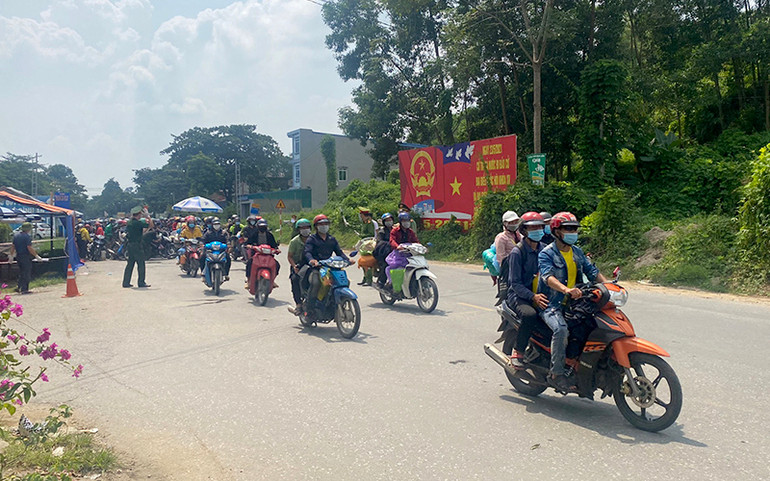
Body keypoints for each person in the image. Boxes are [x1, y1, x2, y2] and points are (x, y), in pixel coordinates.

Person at [537, 211, 607, 391]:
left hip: (576, 303)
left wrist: (609, 286)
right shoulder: (547, 253)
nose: (572, 232)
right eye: (568, 229)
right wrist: (566, 289)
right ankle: (556, 373)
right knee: (561, 329)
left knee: (595, 324)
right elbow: (548, 277)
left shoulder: (577, 252)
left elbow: (592, 271)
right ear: (556, 231)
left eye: (574, 229)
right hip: (552, 304)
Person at [506, 212, 549, 369]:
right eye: (533, 227)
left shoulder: (545, 250)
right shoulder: (517, 252)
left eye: (539, 227)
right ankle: (519, 351)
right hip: (520, 295)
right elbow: (515, 283)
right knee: (530, 315)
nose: (538, 230)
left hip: (541, 293)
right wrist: (533, 297)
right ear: (524, 231)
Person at [303, 215, 349, 310]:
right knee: (316, 283)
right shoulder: (312, 239)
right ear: (316, 226)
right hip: (316, 268)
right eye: (321, 224)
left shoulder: (332, 239)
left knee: (345, 281)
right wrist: (312, 260)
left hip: (330, 267)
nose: (324, 226)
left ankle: (336, 303)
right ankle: (309, 309)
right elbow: (307, 252)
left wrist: (347, 260)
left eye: (326, 224)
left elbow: (339, 252)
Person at [122, 206, 154, 288]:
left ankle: (126, 282)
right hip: (137, 245)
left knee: (130, 264)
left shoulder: (129, 222)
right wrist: (148, 216)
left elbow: (142, 231)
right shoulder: (138, 223)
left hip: (130, 245)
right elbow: (151, 225)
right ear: (139, 215)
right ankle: (141, 282)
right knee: (141, 264)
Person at [9, 223, 45, 294]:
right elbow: (29, 247)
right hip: (25, 256)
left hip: (18, 256)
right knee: (26, 272)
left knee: (22, 272)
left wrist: (11, 256)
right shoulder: (27, 237)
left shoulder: (16, 236)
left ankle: (19, 286)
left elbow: (13, 246)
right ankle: (24, 289)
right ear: (28, 229)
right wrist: (36, 256)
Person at [244, 218, 279, 287]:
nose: (262, 228)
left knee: (277, 265)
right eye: (261, 227)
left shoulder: (269, 235)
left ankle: (273, 280)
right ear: (258, 227)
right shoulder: (255, 234)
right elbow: (248, 243)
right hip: (256, 254)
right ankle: (248, 281)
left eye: (264, 226)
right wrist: (249, 246)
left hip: (268, 255)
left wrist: (276, 250)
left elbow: (274, 245)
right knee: (249, 263)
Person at [287, 218, 312, 314]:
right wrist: (294, 266)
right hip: (298, 266)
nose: (305, 229)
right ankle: (298, 304)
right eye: (302, 228)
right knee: (294, 279)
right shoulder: (294, 242)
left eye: (307, 227)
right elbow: (290, 257)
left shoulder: (313, 239)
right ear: (298, 230)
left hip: (311, 264)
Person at [386, 212, 419, 283]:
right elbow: (392, 240)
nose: (406, 222)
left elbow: (415, 241)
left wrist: (421, 247)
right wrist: (397, 246)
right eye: (404, 221)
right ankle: (393, 283)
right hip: (399, 253)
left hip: (410, 253)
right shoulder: (395, 231)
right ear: (400, 222)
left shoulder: (410, 232)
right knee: (398, 269)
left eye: (407, 220)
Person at [200, 218, 231, 283]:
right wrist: (202, 244)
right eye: (215, 224)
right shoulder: (208, 232)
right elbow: (203, 239)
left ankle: (226, 274)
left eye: (218, 224)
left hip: (221, 250)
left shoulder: (224, 233)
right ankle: (203, 274)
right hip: (210, 250)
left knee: (228, 258)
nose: (216, 226)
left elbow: (228, 239)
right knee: (202, 257)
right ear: (212, 225)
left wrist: (228, 244)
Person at [356, 207, 378, 286]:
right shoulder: (364, 223)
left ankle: (369, 280)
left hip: (369, 243)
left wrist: (361, 235)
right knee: (363, 262)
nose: (361, 217)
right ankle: (365, 278)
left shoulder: (370, 223)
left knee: (368, 262)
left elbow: (371, 234)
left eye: (362, 215)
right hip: (364, 243)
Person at [373, 213, 394, 287]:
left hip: (395, 252)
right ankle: (381, 281)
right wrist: (389, 244)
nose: (389, 221)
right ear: (384, 222)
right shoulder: (382, 231)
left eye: (390, 220)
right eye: (387, 220)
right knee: (387, 265)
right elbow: (380, 242)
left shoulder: (395, 230)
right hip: (384, 253)